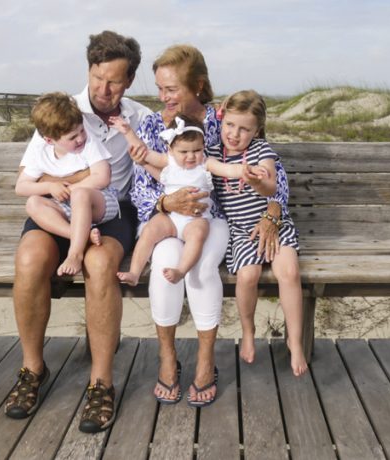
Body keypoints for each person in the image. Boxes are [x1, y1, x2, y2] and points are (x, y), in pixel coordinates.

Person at [5, 31, 151, 433]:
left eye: (115, 81)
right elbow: (28, 178)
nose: (104, 89)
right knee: (30, 258)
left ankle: (101, 382)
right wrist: (69, 182)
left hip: (110, 210)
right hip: (57, 210)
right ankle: (33, 369)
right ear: (88, 69)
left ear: (129, 81)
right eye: (97, 77)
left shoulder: (139, 118)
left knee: (102, 265)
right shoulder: (63, 113)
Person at [129, 44, 228, 407]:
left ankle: (206, 361)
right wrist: (164, 203)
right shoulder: (153, 125)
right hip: (166, 219)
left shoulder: (222, 123)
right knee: (165, 264)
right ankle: (167, 357)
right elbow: (141, 186)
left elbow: (256, 165)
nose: (162, 97)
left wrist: (270, 213)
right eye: (159, 88)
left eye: (171, 89)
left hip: (210, 220)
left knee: (199, 268)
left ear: (198, 86)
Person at [207, 90, 308, 376]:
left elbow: (271, 187)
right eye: (230, 125)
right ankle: (248, 331)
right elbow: (204, 164)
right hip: (241, 231)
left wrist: (256, 181)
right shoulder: (213, 151)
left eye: (244, 129)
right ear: (222, 120)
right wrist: (235, 170)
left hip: (275, 224)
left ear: (256, 130)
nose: (235, 134)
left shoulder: (262, 151)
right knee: (248, 276)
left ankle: (296, 341)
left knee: (289, 273)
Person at [113, 114, 267, 286]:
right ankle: (134, 272)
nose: (191, 156)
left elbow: (228, 169)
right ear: (171, 150)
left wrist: (247, 170)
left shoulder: (206, 164)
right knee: (149, 231)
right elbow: (143, 152)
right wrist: (127, 132)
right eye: (184, 152)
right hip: (170, 218)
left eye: (197, 150)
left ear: (203, 147)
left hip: (196, 219)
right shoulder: (168, 161)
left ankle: (181, 270)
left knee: (198, 234)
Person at [15, 92, 120, 276]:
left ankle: (75, 254)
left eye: (81, 131)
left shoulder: (88, 145)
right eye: (72, 137)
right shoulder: (41, 153)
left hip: (99, 203)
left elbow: (102, 177)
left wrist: (69, 190)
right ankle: (81, 235)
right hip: (68, 208)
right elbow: (21, 186)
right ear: (49, 140)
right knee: (33, 203)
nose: (80, 138)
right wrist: (49, 187)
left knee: (80, 195)